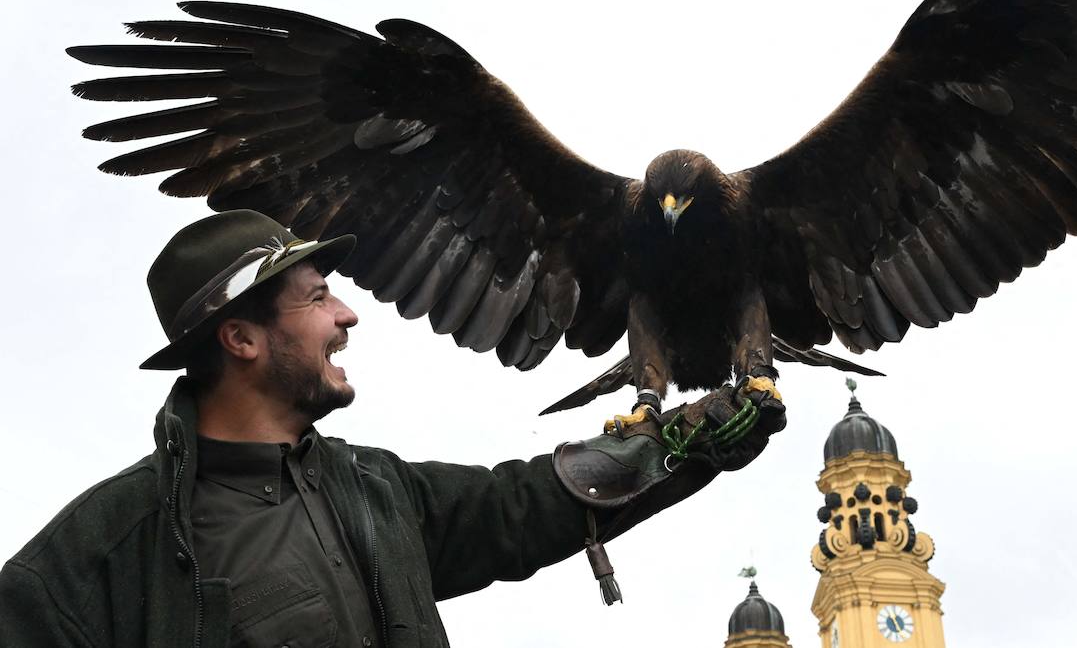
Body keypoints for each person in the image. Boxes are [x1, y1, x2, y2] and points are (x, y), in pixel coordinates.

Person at [0, 210, 782, 647]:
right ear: (240, 339)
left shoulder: (377, 492)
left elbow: (530, 503)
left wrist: (682, 442)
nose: (348, 314)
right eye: (316, 299)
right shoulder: (109, 550)